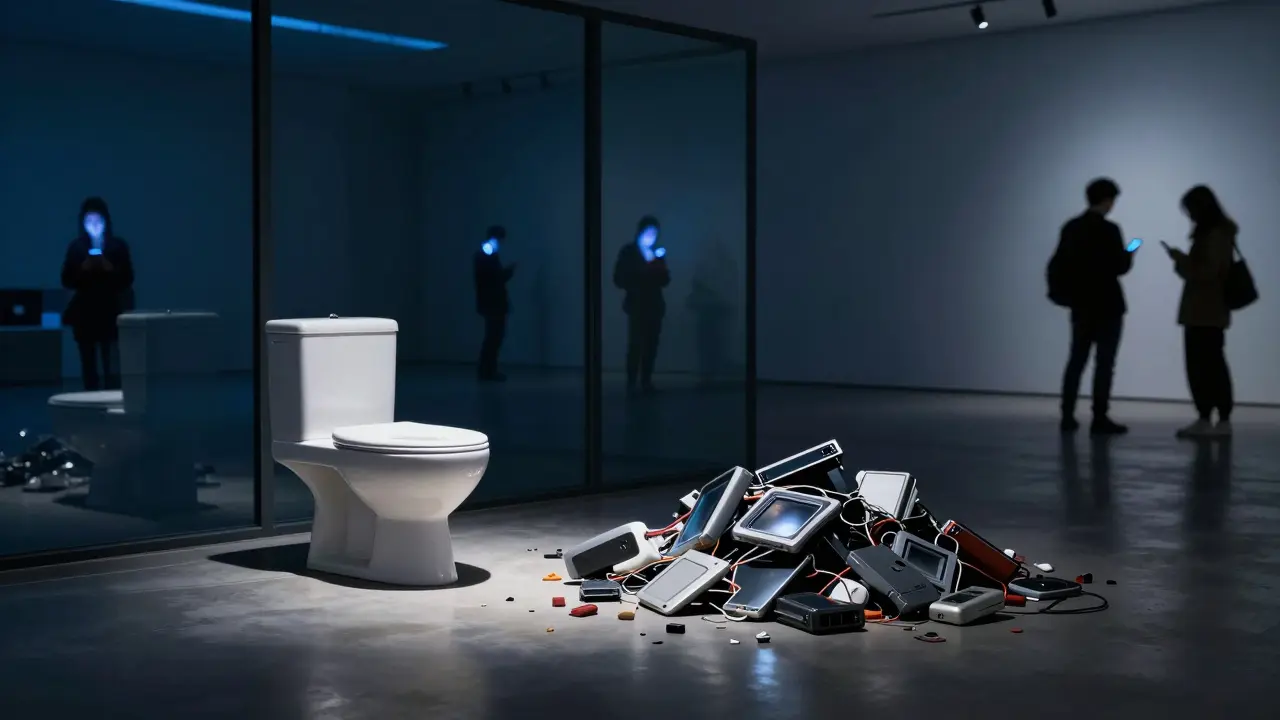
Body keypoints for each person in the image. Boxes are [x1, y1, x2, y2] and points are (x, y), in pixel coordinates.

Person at [1054, 178, 1132, 435]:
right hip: (1108, 304)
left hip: (1081, 304)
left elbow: (1060, 262)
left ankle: (1067, 415)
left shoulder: (1072, 227)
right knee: (1104, 363)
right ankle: (1099, 417)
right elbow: (1121, 266)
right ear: (1108, 200)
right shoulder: (1111, 230)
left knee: (1076, 360)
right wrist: (1131, 250)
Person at [1164, 185, 1237, 439]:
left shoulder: (1214, 235)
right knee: (1208, 364)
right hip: (1207, 310)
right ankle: (1210, 417)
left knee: (1206, 365)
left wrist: (1181, 259)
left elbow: (1205, 272)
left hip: (1205, 309)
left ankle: (1214, 417)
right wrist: (1182, 262)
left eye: (1191, 210)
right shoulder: (1217, 233)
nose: (1189, 215)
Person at [61, 197, 134, 391]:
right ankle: (90, 398)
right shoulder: (77, 248)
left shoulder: (117, 246)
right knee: (88, 363)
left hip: (111, 312)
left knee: (111, 362)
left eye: (98, 220)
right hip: (85, 315)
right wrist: (83, 268)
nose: (93, 225)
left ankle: (113, 396)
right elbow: (66, 280)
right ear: (82, 223)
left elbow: (127, 279)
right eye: (89, 221)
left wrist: (109, 268)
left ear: (106, 221)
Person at [613, 215, 669, 394]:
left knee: (651, 345)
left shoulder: (656, 253)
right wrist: (641, 274)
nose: (651, 236)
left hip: (655, 306)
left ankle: (646, 381)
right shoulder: (629, 252)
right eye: (648, 232)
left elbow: (665, 279)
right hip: (637, 305)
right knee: (636, 344)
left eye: (655, 233)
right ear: (640, 231)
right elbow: (619, 278)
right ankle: (631, 382)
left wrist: (658, 270)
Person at [473, 225, 515, 382]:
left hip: (491, 303)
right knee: (494, 338)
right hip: (493, 303)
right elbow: (494, 279)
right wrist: (508, 272)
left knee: (493, 337)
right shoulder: (487, 254)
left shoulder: (485, 255)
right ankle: (487, 371)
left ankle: (488, 370)